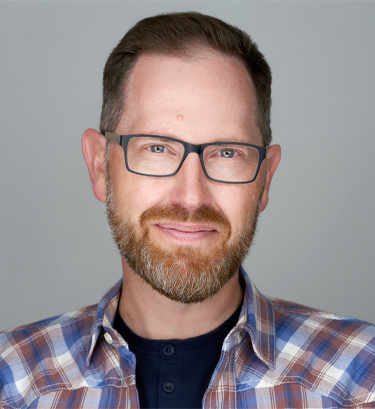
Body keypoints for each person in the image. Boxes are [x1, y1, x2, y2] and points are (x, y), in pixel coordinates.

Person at [1, 11, 374, 409]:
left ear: (265, 179)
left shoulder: (362, 381)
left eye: (227, 152)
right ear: (99, 166)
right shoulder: (11, 384)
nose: (192, 197)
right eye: (157, 148)